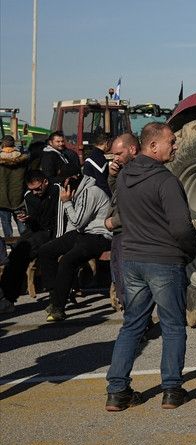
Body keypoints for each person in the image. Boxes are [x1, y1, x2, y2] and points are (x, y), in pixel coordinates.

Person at [104, 123, 196, 413]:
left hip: (132, 259)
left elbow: (121, 215)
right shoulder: (166, 181)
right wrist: (190, 252)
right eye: (171, 141)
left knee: (132, 324)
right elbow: (182, 227)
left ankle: (117, 391)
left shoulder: (125, 177)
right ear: (153, 145)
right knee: (172, 326)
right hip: (164, 261)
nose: (175, 145)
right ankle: (171, 390)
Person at [35, 172, 112, 321]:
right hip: (82, 233)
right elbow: (73, 225)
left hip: (98, 235)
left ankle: (58, 308)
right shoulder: (77, 191)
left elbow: (78, 221)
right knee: (46, 250)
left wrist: (66, 202)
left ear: (71, 180)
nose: (61, 186)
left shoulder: (91, 192)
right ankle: (55, 295)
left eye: (63, 182)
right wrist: (64, 241)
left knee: (67, 261)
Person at [0, 170, 65, 311]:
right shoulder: (29, 196)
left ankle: (55, 299)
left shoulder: (57, 190)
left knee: (39, 250)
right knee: (17, 252)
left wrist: (57, 241)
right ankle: (7, 297)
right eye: (32, 189)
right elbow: (34, 220)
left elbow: (59, 218)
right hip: (37, 230)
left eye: (38, 188)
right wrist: (26, 218)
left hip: (54, 231)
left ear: (45, 182)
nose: (35, 192)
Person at [104, 133, 140, 308]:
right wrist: (112, 176)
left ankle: (135, 317)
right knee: (120, 277)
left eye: (119, 154)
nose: (115, 158)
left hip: (127, 232)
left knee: (127, 281)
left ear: (132, 149)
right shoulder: (125, 170)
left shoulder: (138, 172)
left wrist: (115, 221)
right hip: (120, 233)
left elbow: (137, 206)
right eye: (113, 155)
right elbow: (118, 194)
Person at [0, 136, 29, 240]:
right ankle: (25, 244)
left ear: (2, 145)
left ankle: (11, 246)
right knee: (22, 224)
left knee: (6, 224)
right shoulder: (23, 160)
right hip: (19, 198)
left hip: (2, 199)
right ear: (14, 145)